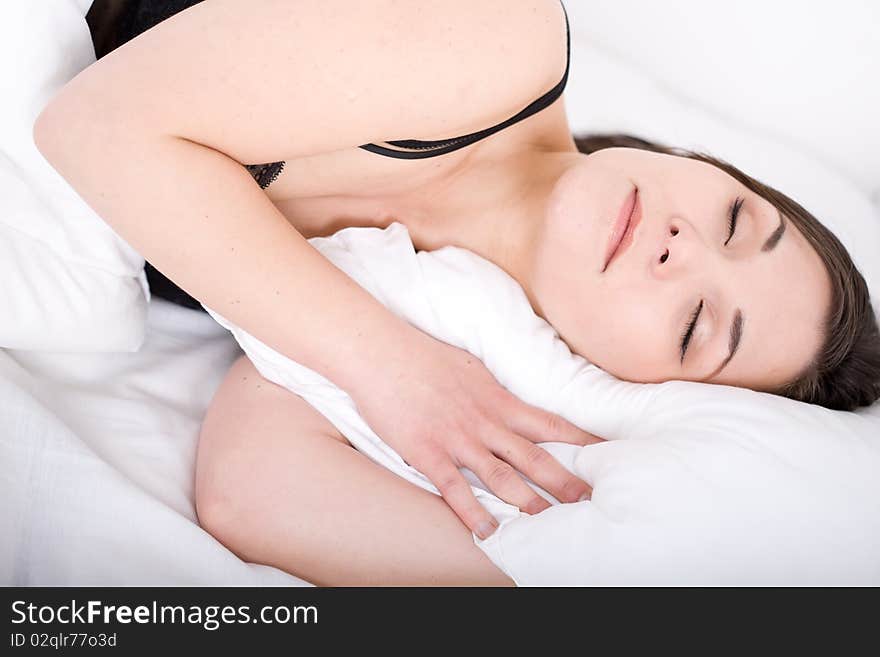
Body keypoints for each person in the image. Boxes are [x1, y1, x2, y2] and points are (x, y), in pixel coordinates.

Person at [37, 0, 879, 585]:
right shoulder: (502, 38)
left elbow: (247, 488)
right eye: (736, 217)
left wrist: (554, 572)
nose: (683, 246)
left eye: (696, 322)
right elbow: (91, 125)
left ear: (624, 381)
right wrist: (389, 366)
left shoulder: (448, 314)